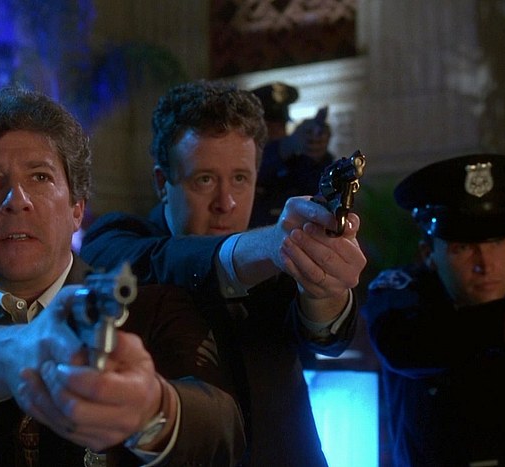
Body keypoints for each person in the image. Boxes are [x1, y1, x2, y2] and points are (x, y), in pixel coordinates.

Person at [0, 86, 245, 467]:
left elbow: (223, 429)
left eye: (40, 177)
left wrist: (153, 409)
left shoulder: (153, 306)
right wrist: (22, 350)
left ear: (77, 208)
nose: (17, 200)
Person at [80, 80, 367, 466]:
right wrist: (266, 248)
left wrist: (325, 286)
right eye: (205, 180)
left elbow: (325, 337)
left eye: (240, 179)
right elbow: (159, 261)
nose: (226, 203)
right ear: (163, 183)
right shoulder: (118, 238)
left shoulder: (274, 245)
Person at [360, 153, 505, 466]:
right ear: (428, 253)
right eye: (463, 247)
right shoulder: (402, 291)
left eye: (498, 242)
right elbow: (407, 344)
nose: (486, 264)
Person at [249, 81, 335, 227]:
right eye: (269, 127)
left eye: (281, 126)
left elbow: (320, 191)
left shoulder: (293, 160)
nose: (278, 133)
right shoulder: (250, 158)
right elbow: (259, 168)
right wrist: (285, 146)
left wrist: (318, 155)